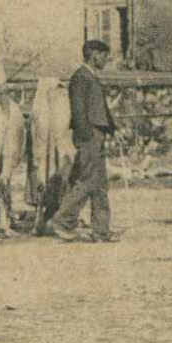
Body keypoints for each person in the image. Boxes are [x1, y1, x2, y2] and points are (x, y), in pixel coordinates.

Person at [38, 40, 117, 241]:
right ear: (92, 54)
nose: (106, 59)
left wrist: (111, 128)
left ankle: (101, 231)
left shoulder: (90, 76)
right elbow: (79, 111)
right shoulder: (81, 77)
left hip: (96, 134)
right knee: (87, 180)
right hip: (89, 136)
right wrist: (86, 136)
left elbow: (100, 108)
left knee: (99, 184)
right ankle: (63, 221)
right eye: (102, 54)